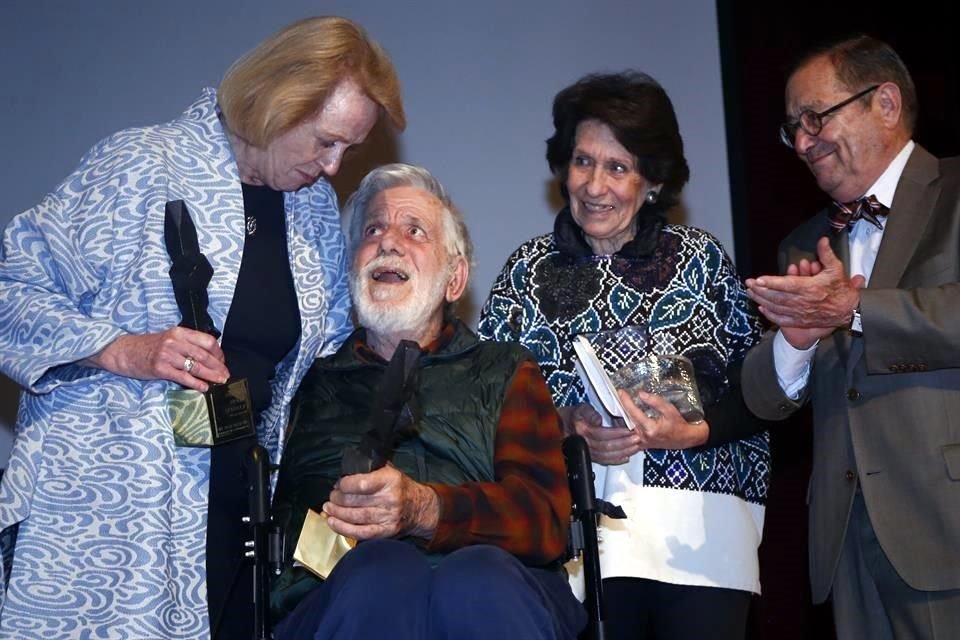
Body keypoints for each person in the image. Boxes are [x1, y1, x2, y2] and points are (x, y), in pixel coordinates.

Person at [0, 16, 404, 639]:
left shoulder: (313, 209)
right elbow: (10, 287)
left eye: (347, 150)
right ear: (278, 103)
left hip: (238, 498)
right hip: (114, 500)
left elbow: (323, 360)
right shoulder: (141, 165)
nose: (332, 166)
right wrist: (123, 349)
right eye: (326, 141)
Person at [478, 71, 768, 640]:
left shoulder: (703, 261)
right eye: (582, 161)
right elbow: (484, 410)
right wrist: (567, 427)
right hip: (576, 533)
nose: (594, 185)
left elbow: (759, 394)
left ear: (652, 181)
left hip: (700, 538)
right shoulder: (525, 273)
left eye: (617, 167)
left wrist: (695, 431)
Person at [268, 163, 586, 640]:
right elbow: (284, 549)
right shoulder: (311, 383)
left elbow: (543, 520)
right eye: (373, 230)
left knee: (476, 578)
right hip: (349, 596)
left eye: (414, 231)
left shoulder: (505, 371)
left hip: (494, 590)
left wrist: (427, 509)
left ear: (454, 279)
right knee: (383, 572)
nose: (388, 243)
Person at [742, 34, 960, 640]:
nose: (802, 142)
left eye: (815, 118)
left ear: (885, 103)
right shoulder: (804, 243)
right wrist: (796, 342)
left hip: (946, 519)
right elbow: (765, 399)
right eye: (793, 128)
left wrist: (855, 308)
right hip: (847, 543)